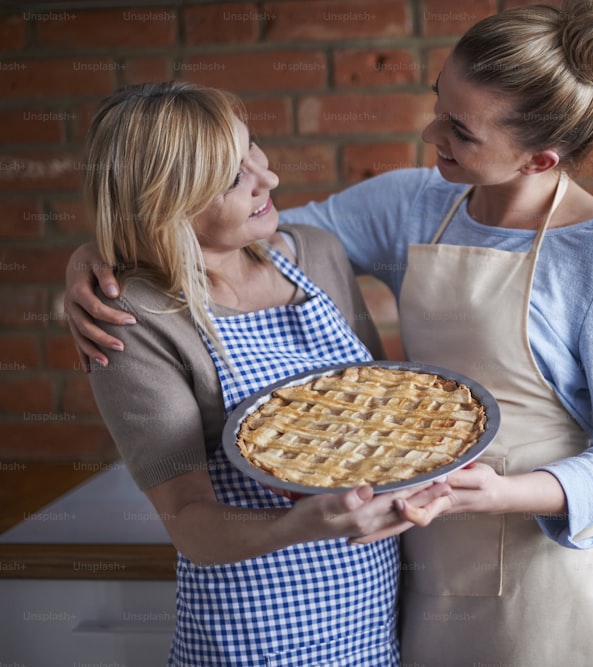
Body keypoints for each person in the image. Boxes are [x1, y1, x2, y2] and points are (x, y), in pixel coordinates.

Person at [66, 1, 593, 664]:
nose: (431, 131)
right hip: (411, 570)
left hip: (544, 570)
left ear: (538, 159)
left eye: (460, 131)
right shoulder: (413, 201)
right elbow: (227, 227)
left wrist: (500, 493)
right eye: (438, 101)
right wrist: (102, 255)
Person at [74, 81, 452, 667]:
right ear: (165, 201)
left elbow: (379, 410)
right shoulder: (135, 320)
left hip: (372, 611)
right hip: (253, 631)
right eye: (232, 177)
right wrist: (301, 523)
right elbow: (189, 524)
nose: (267, 179)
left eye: (255, 150)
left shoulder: (317, 254)